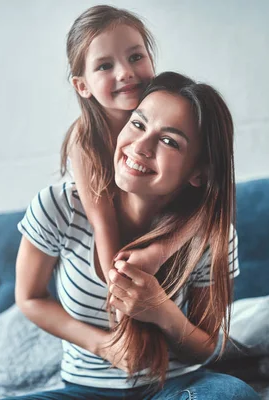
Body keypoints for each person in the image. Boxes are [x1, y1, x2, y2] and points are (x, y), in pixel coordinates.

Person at [7, 72, 259, 399]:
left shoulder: (211, 236)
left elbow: (208, 348)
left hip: (175, 387)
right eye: (138, 124)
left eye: (169, 141)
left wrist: (161, 311)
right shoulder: (59, 207)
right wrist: (104, 346)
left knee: (230, 395)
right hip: (84, 391)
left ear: (199, 172)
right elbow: (29, 298)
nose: (140, 147)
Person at [61, 5, 196, 299]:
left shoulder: (179, 116)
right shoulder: (85, 140)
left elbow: (210, 203)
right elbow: (104, 227)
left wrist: (160, 252)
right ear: (82, 86)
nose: (125, 72)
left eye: (136, 57)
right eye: (105, 66)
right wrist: (118, 286)